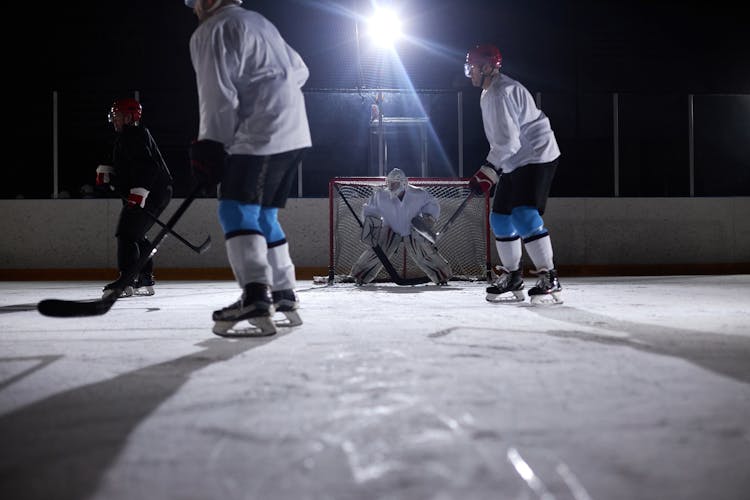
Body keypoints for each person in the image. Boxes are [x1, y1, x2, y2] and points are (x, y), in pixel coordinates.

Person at [185, 0, 311, 336]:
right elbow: (300, 69)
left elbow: (216, 96)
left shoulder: (210, 31)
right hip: (295, 129)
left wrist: (210, 144)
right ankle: (284, 293)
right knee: (264, 215)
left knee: (234, 209)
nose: (193, 8)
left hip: (261, 130)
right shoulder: (259, 21)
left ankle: (256, 295)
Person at [465, 44, 563, 305]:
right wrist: (491, 170)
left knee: (523, 214)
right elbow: (503, 142)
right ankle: (513, 277)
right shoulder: (488, 93)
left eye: (472, 67)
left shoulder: (501, 92)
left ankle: (549, 277)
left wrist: (488, 170)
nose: (470, 72)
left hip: (536, 155)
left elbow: (509, 143)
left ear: (487, 67)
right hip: (514, 160)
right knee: (499, 218)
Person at [95, 98, 174, 298]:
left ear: (130, 117)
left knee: (127, 234)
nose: (114, 120)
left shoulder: (135, 135)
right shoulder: (127, 136)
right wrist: (107, 171)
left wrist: (139, 194)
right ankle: (145, 277)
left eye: (118, 116)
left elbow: (149, 166)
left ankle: (126, 281)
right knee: (136, 234)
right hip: (154, 191)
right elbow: (126, 163)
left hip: (151, 192)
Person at [351, 168, 453, 285]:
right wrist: (369, 225)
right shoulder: (380, 195)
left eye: (394, 183)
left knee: (425, 253)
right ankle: (360, 276)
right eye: (389, 183)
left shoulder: (418, 193)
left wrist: (428, 218)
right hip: (389, 229)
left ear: (403, 182)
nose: (391, 186)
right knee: (376, 252)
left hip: (412, 229)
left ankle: (442, 276)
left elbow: (432, 204)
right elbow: (369, 210)